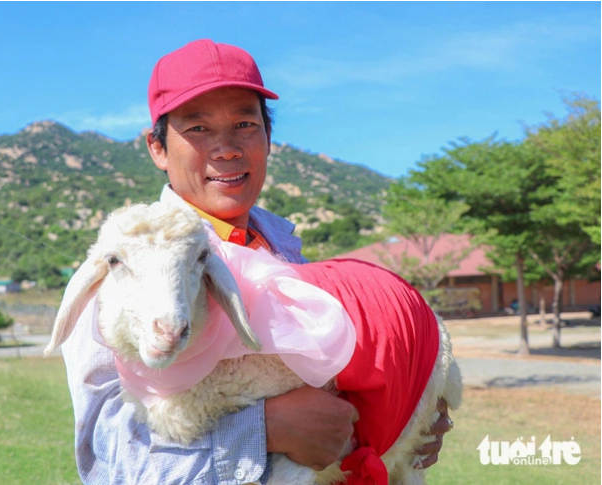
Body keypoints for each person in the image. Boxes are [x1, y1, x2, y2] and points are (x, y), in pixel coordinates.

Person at [60, 39, 453, 485]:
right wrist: (267, 429)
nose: (226, 148)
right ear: (158, 148)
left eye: (245, 123)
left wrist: (406, 420)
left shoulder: (284, 253)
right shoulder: (123, 274)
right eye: (198, 129)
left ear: (268, 138)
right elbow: (110, 459)